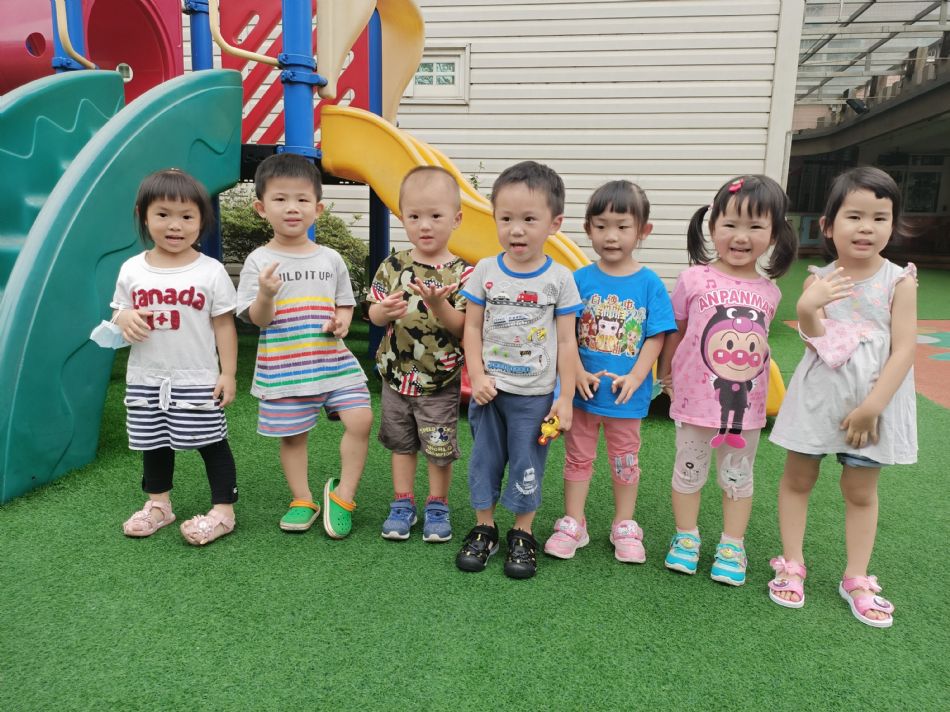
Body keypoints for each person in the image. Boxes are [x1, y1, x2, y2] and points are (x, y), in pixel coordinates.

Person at [768, 167, 916, 628]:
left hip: (873, 402)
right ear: (828, 226)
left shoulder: (899, 281)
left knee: (860, 490)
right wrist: (807, 307)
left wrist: (873, 407)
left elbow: (904, 349)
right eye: (854, 216)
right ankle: (792, 563)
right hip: (819, 396)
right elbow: (818, 339)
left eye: (880, 217)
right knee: (798, 479)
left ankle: (856, 577)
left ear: (892, 225)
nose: (867, 227)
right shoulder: (820, 280)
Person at [657, 175, 796, 586]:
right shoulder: (693, 279)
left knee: (738, 477)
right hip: (695, 401)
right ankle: (686, 537)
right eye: (730, 224)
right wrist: (666, 375)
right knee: (688, 471)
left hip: (746, 408)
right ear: (712, 225)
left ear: (774, 234)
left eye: (755, 226)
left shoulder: (770, 292)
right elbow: (676, 332)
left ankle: (732, 545)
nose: (741, 236)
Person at [454, 160, 583, 579]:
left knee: (528, 464)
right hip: (490, 393)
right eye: (506, 218)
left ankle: (522, 532)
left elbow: (567, 342)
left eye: (529, 219)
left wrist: (565, 398)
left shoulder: (560, 279)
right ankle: (485, 528)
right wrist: (477, 376)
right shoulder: (485, 271)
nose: (516, 230)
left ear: (554, 223)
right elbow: (472, 328)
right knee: (485, 461)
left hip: (535, 397)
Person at [237, 153, 372, 538]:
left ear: (318, 208)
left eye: (302, 199)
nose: (292, 208)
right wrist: (266, 295)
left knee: (361, 419)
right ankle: (302, 499)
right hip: (285, 367)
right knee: (293, 436)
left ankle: (343, 496)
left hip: (333, 361)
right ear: (262, 208)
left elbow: (344, 303)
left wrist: (342, 320)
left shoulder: (331, 259)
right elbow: (257, 320)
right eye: (280, 199)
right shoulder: (259, 261)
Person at [543, 181, 675, 563]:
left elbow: (656, 335)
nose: (611, 236)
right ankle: (574, 522)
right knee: (577, 458)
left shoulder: (649, 283)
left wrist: (637, 377)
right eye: (601, 226)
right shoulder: (579, 280)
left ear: (643, 230)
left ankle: (624, 524)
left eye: (622, 226)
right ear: (588, 229)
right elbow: (565, 333)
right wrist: (576, 373)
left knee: (625, 461)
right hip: (583, 396)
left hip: (625, 398)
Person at [116, 169, 239, 545]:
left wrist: (228, 373)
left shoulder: (211, 271)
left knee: (211, 441)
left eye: (187, 216)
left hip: (197, 377)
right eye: (163, 214)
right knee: (154, 442)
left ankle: (223, 511)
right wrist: (124, 316)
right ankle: (159, 505)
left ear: (202, 220)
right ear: (143, 215)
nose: (175, 225)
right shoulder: (132, 269)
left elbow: (224, 325)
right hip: (146, 377)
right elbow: (119, 311)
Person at [368, 166, 472, 542]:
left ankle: (438, 505)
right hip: (395, 375)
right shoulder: (393, 266)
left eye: (435, 216)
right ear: (402, 218)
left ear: (456, 219)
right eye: (414, 216)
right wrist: (383, 312)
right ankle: (402, 503)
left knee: (438, 445)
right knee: (401, 443)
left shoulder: (463, 274)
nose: (424, 225)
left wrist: (439, 304)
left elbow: (463, 328)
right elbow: (373, 314)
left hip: (439, 380)